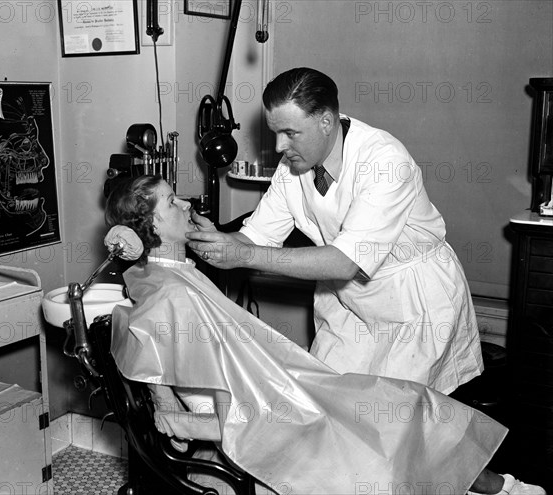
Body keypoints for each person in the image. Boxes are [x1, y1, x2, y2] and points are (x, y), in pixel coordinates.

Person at [103, 175, 545, 495]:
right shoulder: (172, 295)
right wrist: (179, 416)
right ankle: (502, 489)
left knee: (406, 405)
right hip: (270, 411)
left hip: (281, 390)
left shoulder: (162, 277)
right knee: (403, 416)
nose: (185, 203)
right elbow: (215, 390)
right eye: (171, 202)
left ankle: (493, 487)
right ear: (152, 227)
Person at [185, 67, 483, 396]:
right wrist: (219, 243)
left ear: (326, 122)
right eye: (275, 132)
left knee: (392, 425)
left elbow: (344, 262)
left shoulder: (384, 160)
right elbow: (256, 237)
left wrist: (244, 254)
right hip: (346, 303)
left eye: (289, 132)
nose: (279, 145)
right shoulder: (292, 168)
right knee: (325, 407)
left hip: (412, 304)